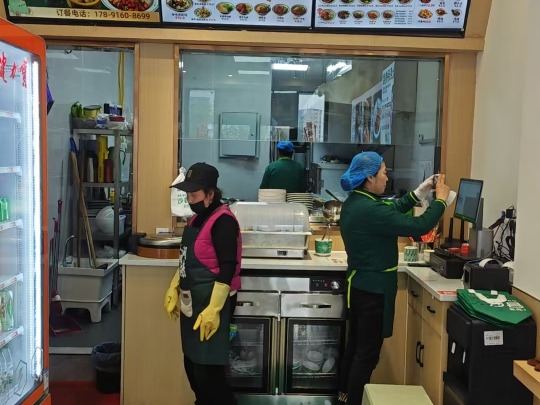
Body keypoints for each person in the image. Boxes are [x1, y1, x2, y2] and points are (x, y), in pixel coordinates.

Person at [337, 152, 450, 405]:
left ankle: (344, 396)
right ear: (369, 177)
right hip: (373, 292)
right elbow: (420, 226)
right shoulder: (370, 209)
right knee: (366, 356)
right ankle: (353, 400)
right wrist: (441, 201)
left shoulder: (358, 201)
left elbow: (393, 209)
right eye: (384, 172)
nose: (387, 177)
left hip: (360, 288)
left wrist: (419, 192)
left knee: (355, 349)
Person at [164, 162, 241, 405]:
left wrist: (214, 309)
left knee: (209, 373)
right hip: (193, 305)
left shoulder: (224, 221)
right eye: (187, 194)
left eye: (194, 195)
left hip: (212, 305)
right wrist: (174, 287)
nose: (190, 200)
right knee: (193, 366)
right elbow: (187, 258)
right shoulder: (195, 220)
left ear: (210, 194)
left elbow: (228, 267)